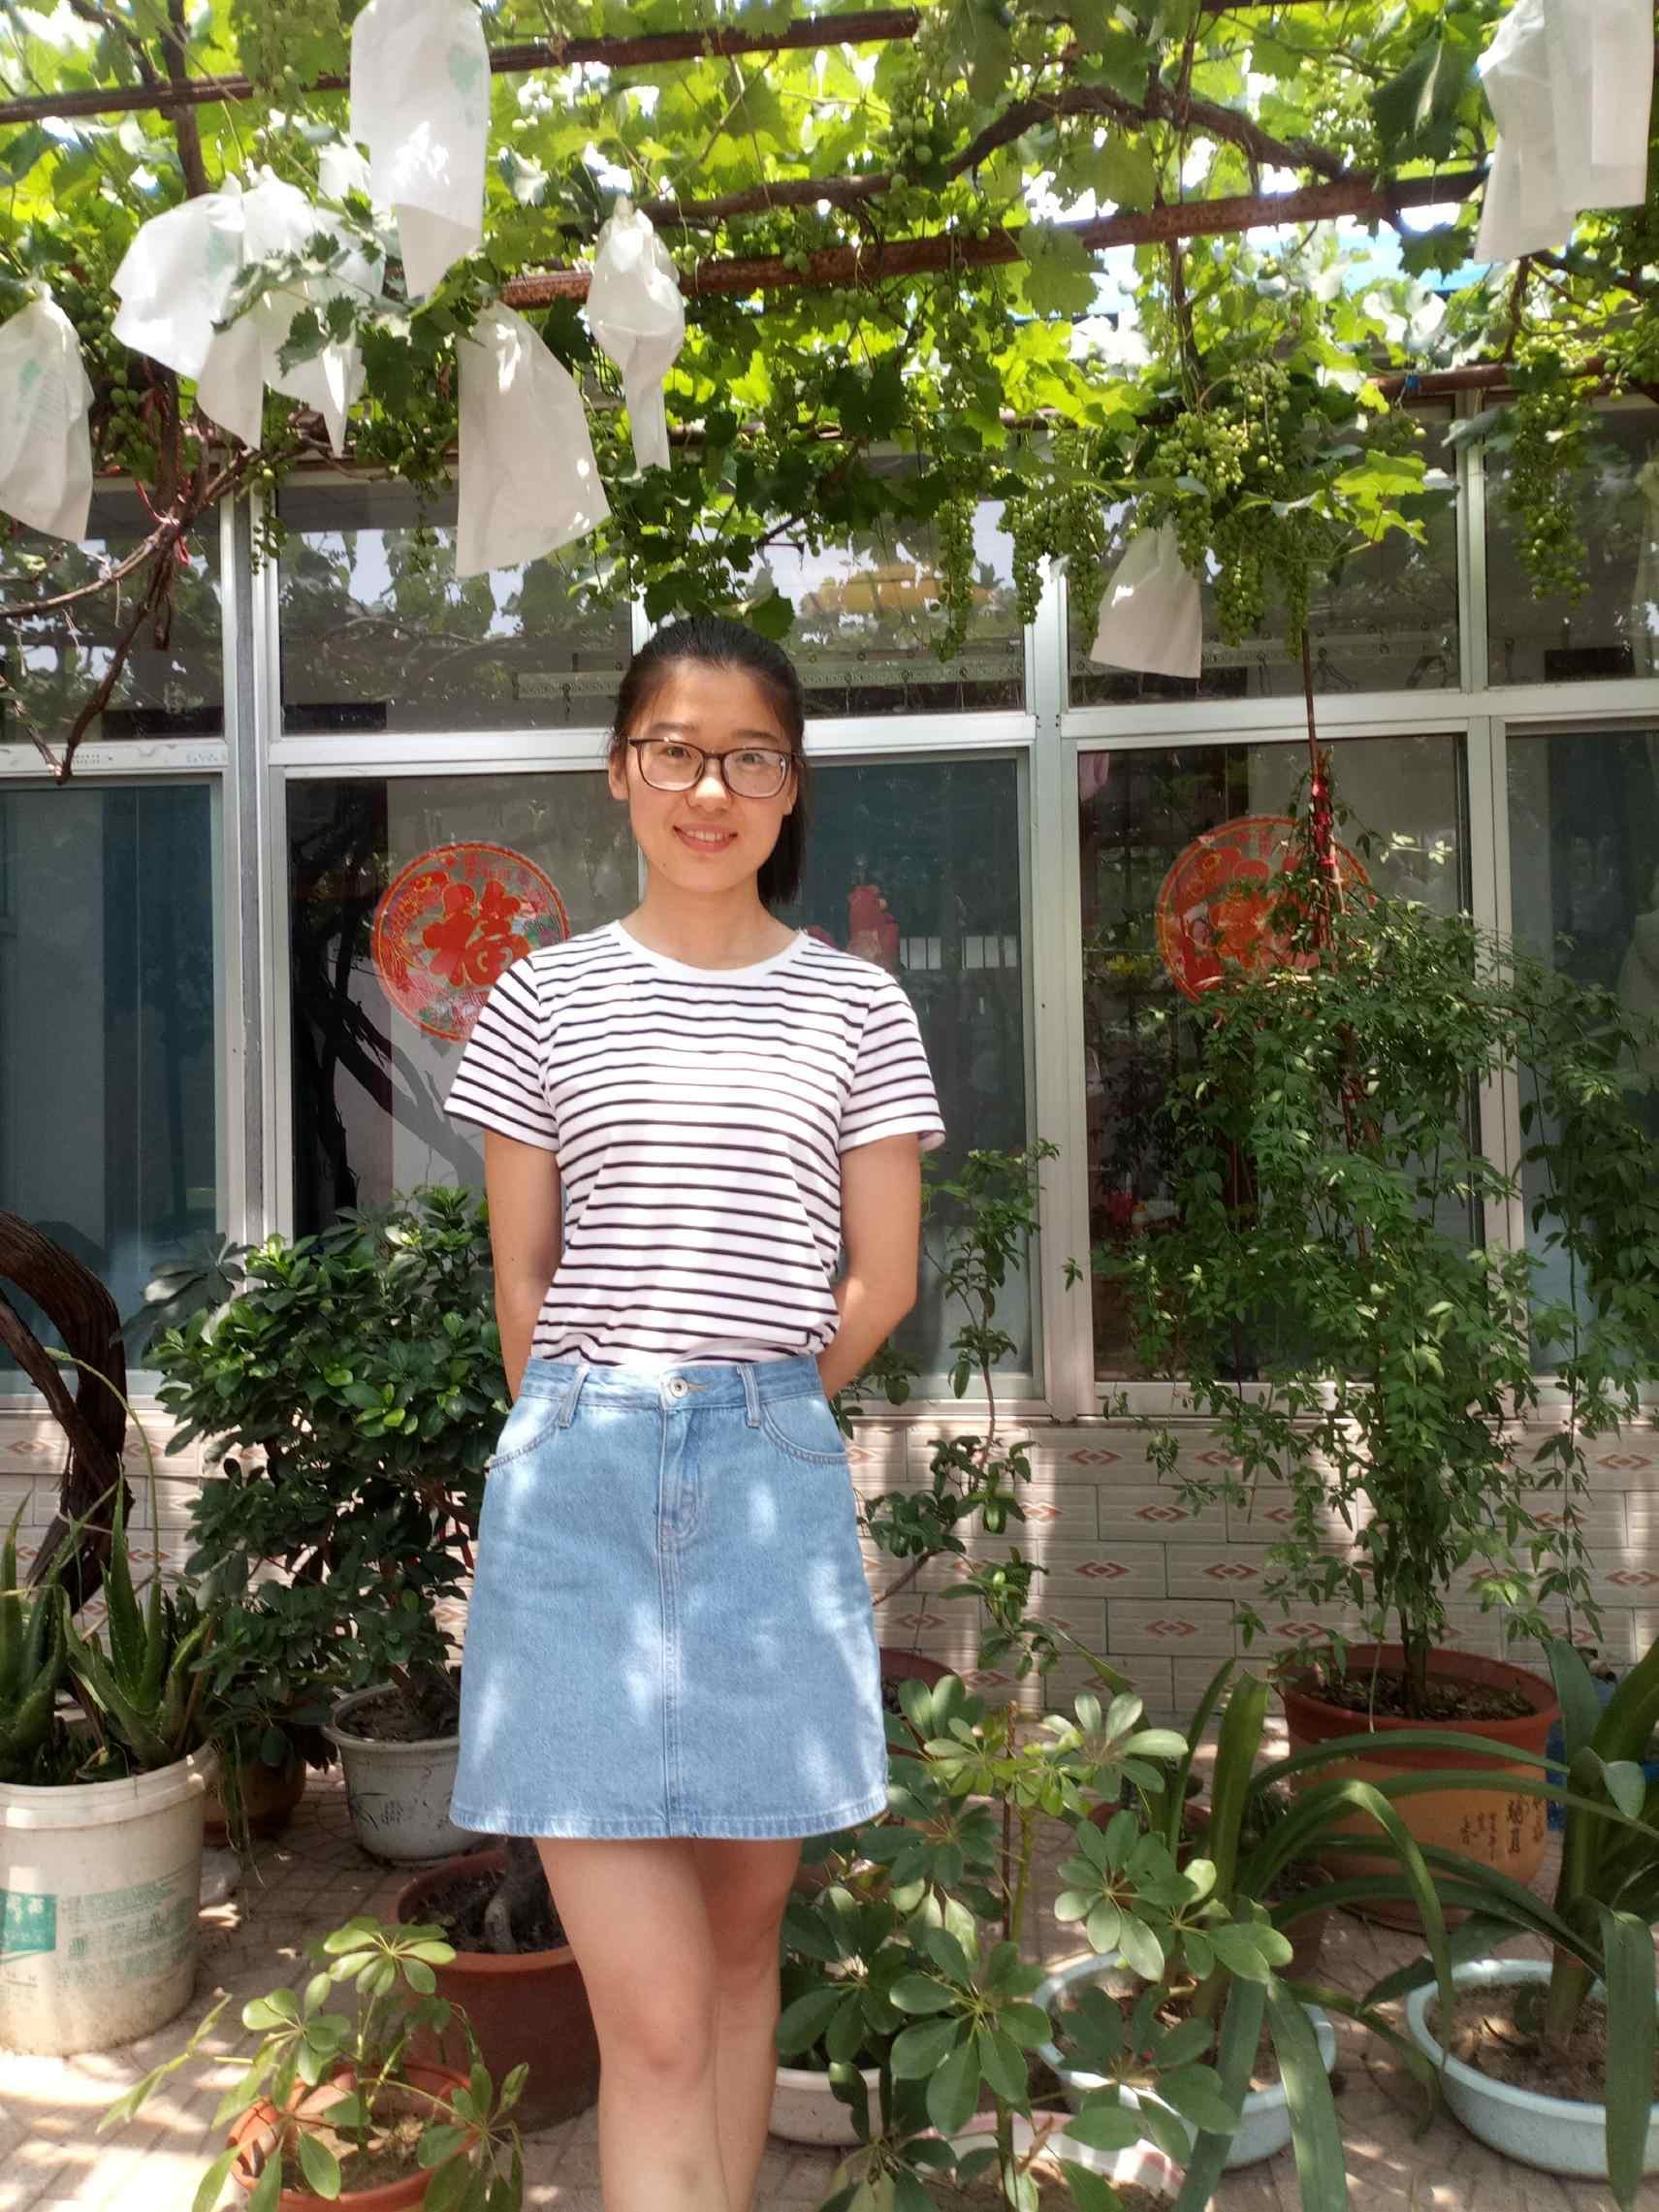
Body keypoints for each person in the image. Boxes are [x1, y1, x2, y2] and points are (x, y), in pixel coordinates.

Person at [442, 615, 944, 2212]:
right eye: (676, 749)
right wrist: (604, 1424)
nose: (709, 788)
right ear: (621, 770)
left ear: (791, 787)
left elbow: (882, 1281)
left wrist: (754, 1414)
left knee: (740, 1962)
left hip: (769, 1491)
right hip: (579, 1492)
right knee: (654, 2022)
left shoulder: (857, 1010)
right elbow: (523, 1283)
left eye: (749, 757)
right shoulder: (543, 1000)